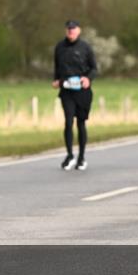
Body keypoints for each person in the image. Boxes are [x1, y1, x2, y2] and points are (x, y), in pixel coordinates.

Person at [52, 20, 97, 171]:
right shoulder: (60, 47)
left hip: (82, 91)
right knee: (68, 121)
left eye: (73, 29)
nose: (71, 31)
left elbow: (94, 68)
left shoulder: (85, 48)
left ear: (79, 30)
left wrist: (88, 79)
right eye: (68, 29)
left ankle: (81, 157)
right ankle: (70, 154)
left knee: (81, 123)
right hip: (66, 90)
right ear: (66, 31)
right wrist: (56, 80)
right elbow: (57, 67)